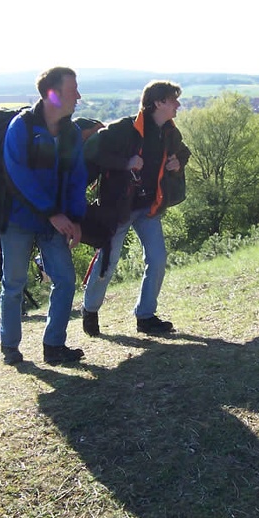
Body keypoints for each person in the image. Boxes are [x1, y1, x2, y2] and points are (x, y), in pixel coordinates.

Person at [81, 80, 190, 337]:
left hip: (150, 207)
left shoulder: (170, 132)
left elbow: (184, 152)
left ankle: (146, 317)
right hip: (118, 209)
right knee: (108, 261)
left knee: (157, 259)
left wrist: (178, 162)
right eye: (173, 99)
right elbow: (90, 151)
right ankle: (90, 310)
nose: (178, 104)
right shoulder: (123, 129)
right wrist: (124, 162)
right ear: (159, 102)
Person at [0, 66, 88, 365]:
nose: (78, 95)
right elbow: (18, 177)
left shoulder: (71, 132)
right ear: (53, 93)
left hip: (57, 219)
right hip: (18, 219)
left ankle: (54, 346)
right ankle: (10, 348)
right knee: (13, 283)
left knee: (64, 279)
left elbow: (77, 177)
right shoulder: (20, 127)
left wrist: (75, 218)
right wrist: (52, 213)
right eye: (72, 89)